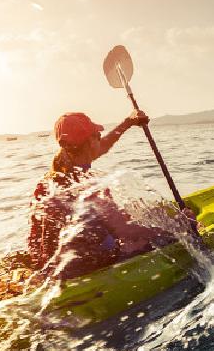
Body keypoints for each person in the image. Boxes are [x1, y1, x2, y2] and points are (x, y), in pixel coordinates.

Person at [27, 110, 191, 279]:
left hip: (48, 265)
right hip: (75, 272)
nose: (101, 139)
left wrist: (128, 122)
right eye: (97, 135)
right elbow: (128, 231)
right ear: (90, 143)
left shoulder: (55, 176)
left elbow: (103, 146)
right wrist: (180, 226)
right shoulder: (87, 187)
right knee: (148, 240)